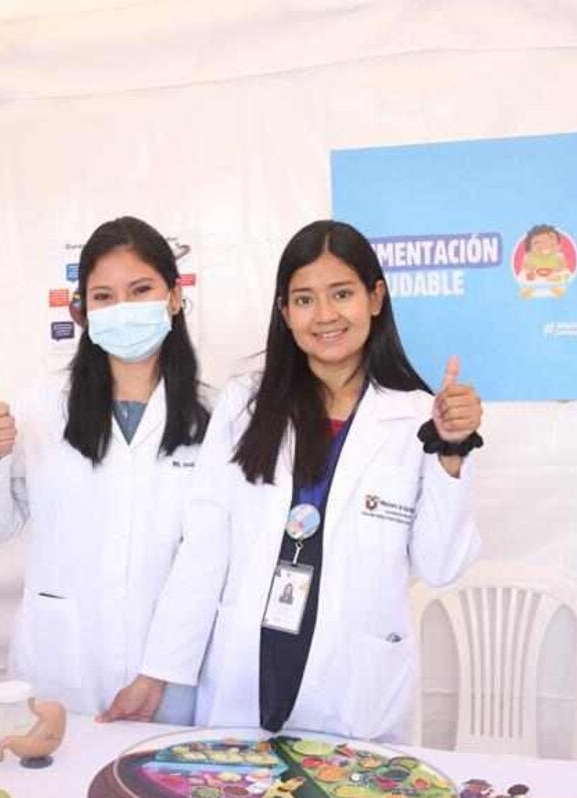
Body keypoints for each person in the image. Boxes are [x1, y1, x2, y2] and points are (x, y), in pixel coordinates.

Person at [105, 220, 482, 741]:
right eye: (304, 300)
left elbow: (441, 565)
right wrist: (158, 673)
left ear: (375, 298)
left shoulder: (417, 417)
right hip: (250, 665)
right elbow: (205, 548)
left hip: (354, 679)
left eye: (342, 294)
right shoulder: (245, 405)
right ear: (284, 312)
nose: (325, 316)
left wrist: (452, 450)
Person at [0, 217, 212, 722]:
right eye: (104, 297)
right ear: (84, 312)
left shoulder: (214, 418)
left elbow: (211, 562)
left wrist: (163, 668)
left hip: (169, 671)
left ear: (174, 298)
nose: (123, 309)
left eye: (140, 290)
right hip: (62, 666)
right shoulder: (41, 410)